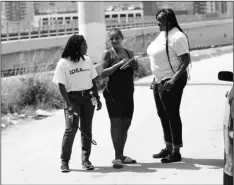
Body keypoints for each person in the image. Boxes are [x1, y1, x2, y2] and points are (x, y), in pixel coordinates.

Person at [147, 9, 191, 163]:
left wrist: (172, 80)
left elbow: (186, 61)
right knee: (162, 114)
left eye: (160, 21)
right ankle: (168, 146)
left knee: (172, 114)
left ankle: (176, 151)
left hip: (172, 81)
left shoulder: (177, 37)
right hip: (159, 80)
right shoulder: (163, 34)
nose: (157, 24)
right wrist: (155, 78)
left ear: (169, 21)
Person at [52, 34, 102, 172]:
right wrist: (68, 104)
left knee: (86, 129)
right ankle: (64, 161)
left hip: (87, 98)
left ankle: (86, 160)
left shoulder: (87, 60)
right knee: (71, 129)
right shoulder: (63, 63)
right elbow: (61, 86)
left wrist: (97, 97)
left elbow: (92, 80)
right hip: (72, 100)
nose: (86, 47)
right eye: (84, 44)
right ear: (76, 46)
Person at [100, 28, 138, 169]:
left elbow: (134, 71)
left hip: (128, 93)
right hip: (113, 94)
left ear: (122, 38)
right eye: (112, 38)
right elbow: (103, 73)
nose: (115, 41)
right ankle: (117, 157)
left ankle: (121, 155)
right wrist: (117, 64)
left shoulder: (130, 53)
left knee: (125, 125)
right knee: (116, 124)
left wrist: (134, 65)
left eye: (117, 38)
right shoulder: (108, 54)